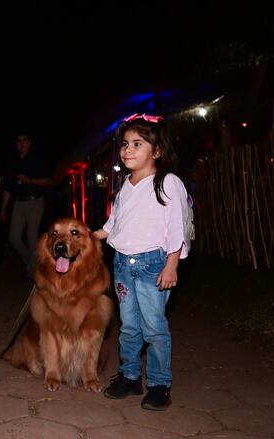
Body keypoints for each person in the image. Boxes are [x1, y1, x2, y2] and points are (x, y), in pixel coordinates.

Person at [92, 113, 190, 411]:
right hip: (122, 264)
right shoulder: (124, 186)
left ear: (156, 151)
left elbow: (178, 227)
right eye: (124, 144)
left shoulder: (167, 182)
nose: (128, 150)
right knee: (129, 327)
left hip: (153, 265)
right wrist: (87, 237)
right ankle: (131, 377)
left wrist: (172, 264)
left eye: (137, 144)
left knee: (154, 327)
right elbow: (113, 224)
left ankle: (160, 384)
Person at [0, 132, 53, 279]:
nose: (21, 144)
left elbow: (49, 181)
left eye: (24, 141)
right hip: (18, 203)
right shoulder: (12, 162)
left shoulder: (38, 160)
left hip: (35, 202)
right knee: (13, 238)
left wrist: (30, 180)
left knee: (31, 238)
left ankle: (31, 273)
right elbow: (8, 188)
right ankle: (32, 262)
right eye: (18, 141)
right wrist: (3, 209)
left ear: (29, 143)